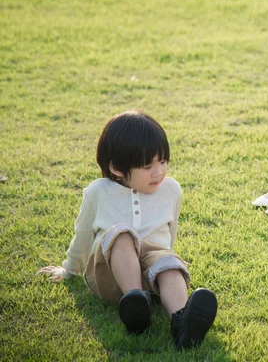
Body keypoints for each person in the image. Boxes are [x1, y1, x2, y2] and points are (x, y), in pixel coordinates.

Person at [37, 110, 217, 350]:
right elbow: (82, 236)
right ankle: (135, 302)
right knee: (121, 234)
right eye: (147, 165)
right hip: (108, 276)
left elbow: (168, 239)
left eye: (163, 161)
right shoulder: (98, 193)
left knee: (168, 261)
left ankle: (182, 321)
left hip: (151, 278)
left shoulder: (171, 190)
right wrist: (70, 270)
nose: (159, 172)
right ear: (117, 169)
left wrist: (166, 266)